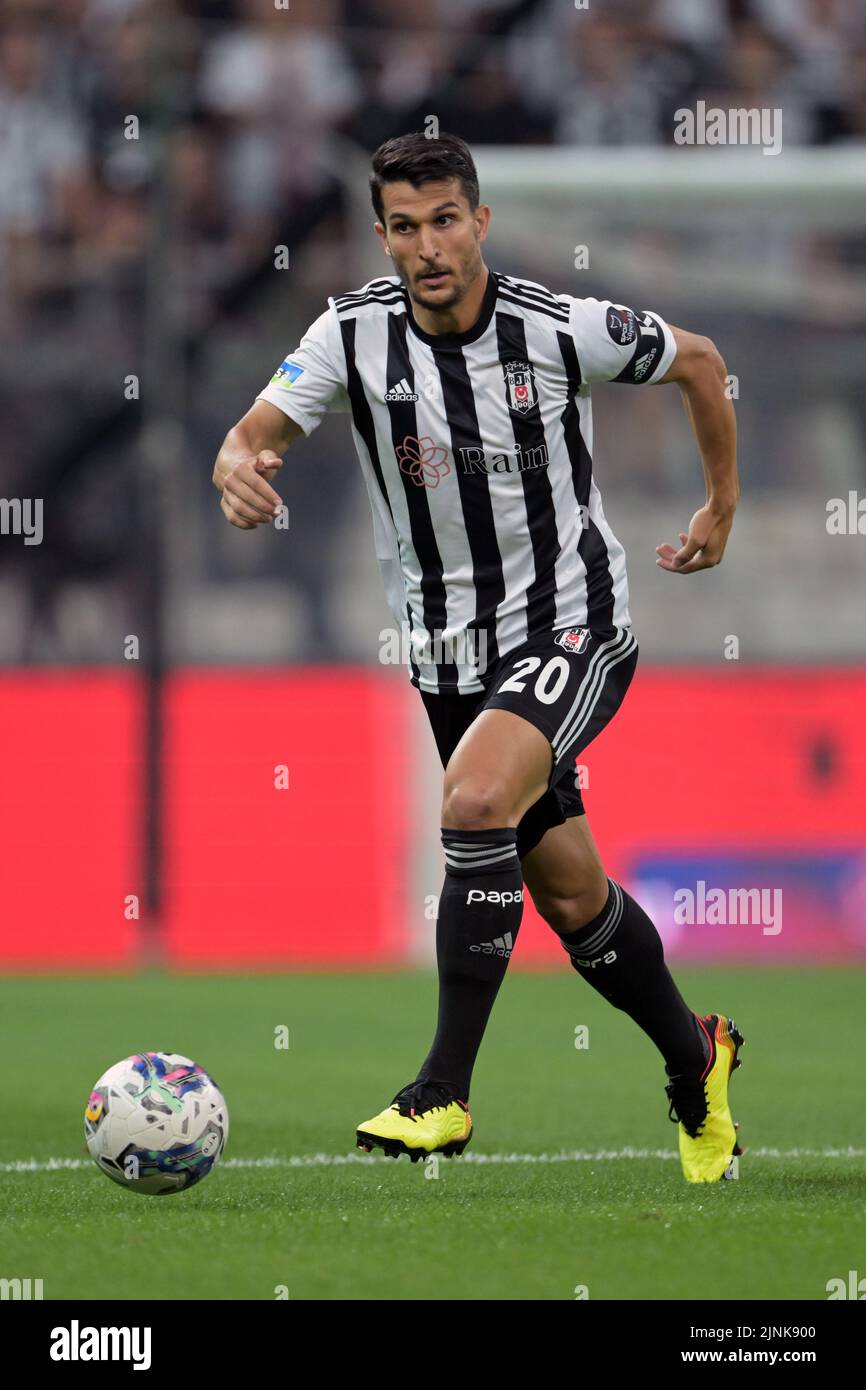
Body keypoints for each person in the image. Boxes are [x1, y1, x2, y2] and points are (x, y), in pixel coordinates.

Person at [212, 131, 743, 1183]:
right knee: (571, 898)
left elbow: (698, 358)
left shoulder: (557, 329)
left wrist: (720, 508)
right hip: (447, 654)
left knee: (469, 804)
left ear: (480, 221)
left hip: (571, 622)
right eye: (404, 227)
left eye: (444, 219)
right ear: (381, 236)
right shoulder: (349, 333)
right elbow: (254, 429)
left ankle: (442, 1091)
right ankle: (698, 1062)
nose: (428, 246)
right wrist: (238, 460)